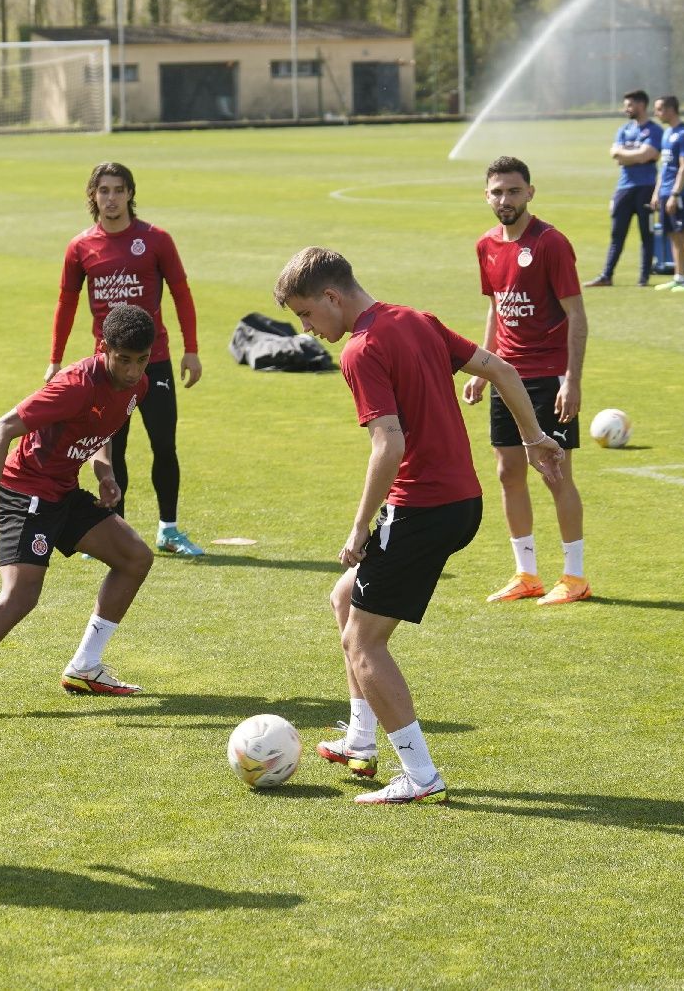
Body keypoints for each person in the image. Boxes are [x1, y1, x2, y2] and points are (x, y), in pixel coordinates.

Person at [273, 247, 563, 804]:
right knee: (344, 599)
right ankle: (361, 739)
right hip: (462, 504)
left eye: (306, 314)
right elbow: (500, 368)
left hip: (422, 509)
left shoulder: (360, 350)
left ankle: (421, 775)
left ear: (332, 297)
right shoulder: (416, 319)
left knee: (364, 642)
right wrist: (533, 437)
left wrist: (359, 529)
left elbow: (389, 442)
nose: (307, 329)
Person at [0, 302, 158, 721]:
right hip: (24, 491)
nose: (132, 371)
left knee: (135, 556)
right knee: (21, 594)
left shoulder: (136, 387)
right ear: (104, 348)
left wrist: (105, 472)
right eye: (123, 360)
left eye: (141, 361)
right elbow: (2, 429)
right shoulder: (75, 384)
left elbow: (105, 428)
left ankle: (85, 667)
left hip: (63, 491)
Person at [48, 162, 205, 557]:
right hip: (107, 367)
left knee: (163, 445)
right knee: (110, 449)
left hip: (155, 361)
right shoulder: (81, 246)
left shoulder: (155, 240)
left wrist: (192, 349)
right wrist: (55, 359)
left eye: (119, 189)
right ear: (93, 195)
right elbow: (66, 304)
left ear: (131, 194)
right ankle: (110, 530)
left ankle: (168, 529)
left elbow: (181, 293)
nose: (112, 198)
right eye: (104, 190)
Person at [466, 157, 592, 606]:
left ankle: (575, 577)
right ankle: (526, 574)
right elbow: (496, 307)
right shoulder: (486, 245)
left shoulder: (551, 243)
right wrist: (484, 369)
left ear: (530, 193)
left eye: (514, 191)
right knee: (507, 473)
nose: (505, 200)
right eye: (497, 192)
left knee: (555, 474)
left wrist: (571, 381)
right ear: (487, 196)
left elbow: (577, 316)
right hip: (506, 376)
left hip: (548, 376)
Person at [585, 90, 663, 288]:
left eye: (629, 105)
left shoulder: (654, 130)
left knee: (647, 234)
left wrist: (627, 155)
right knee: (616, 234)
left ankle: (643, 278)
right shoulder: (624, 129)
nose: (625, 109)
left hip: (646, 187)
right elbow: (615, 154)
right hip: (624, 188)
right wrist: (635, 155)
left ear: (641, 105)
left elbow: (649, 154)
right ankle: (606, 275)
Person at [650, 95, 684, 292]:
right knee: (672, 235)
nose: (656, 113)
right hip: (664, 192)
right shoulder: (666, 133)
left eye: (659, 109)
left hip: (677, 194)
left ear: (671, 109)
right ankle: (678, 277)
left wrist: (675, 194)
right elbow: (664, 167)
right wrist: (657, 193)